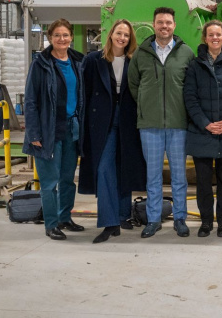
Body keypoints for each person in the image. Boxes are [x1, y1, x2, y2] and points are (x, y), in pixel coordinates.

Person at [128, 7, 195, 238]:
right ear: (154, 25)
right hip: (150, 125)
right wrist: (146, 106)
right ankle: (153, 219)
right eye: (160, 22)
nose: (164, 26)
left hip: (178, 124)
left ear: (174, 25)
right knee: (153, 176)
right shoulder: (142, 53)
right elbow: (134, 84)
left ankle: (180, 218)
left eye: (168, 22)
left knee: (179, 176)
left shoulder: (186, 52)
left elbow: (191, 86)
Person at [79, 19, 146, 244]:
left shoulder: (134, 60)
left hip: (128, 120)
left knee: (123, 166)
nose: (122, 38)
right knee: (104, 169)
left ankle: (122, 215)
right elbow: (85, 93)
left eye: (126, 35)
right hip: (102, 121)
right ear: (111, 35)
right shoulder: (93, 60)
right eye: (119, 33)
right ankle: (109, 222)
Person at [23, 18, 85, 240]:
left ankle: (64, 218)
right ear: (50, 38)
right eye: (57, 35)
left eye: (65, 35)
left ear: (71, 37)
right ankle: (51, 224)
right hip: (48, 130)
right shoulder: (40, 64)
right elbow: (30, 101)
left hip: (72, 129)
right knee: (49, 181)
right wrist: (34, 133)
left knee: (67, 179)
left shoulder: (78, 62)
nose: (62, 39)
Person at [184, 20, 222, 238]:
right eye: (211, 35)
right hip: (202, 132)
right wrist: (205, 123)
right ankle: (206, 222)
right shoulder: (195, 65)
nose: (215, 38)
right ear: (205, 38)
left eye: (218, 34)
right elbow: (190, 98)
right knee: (203, 183)